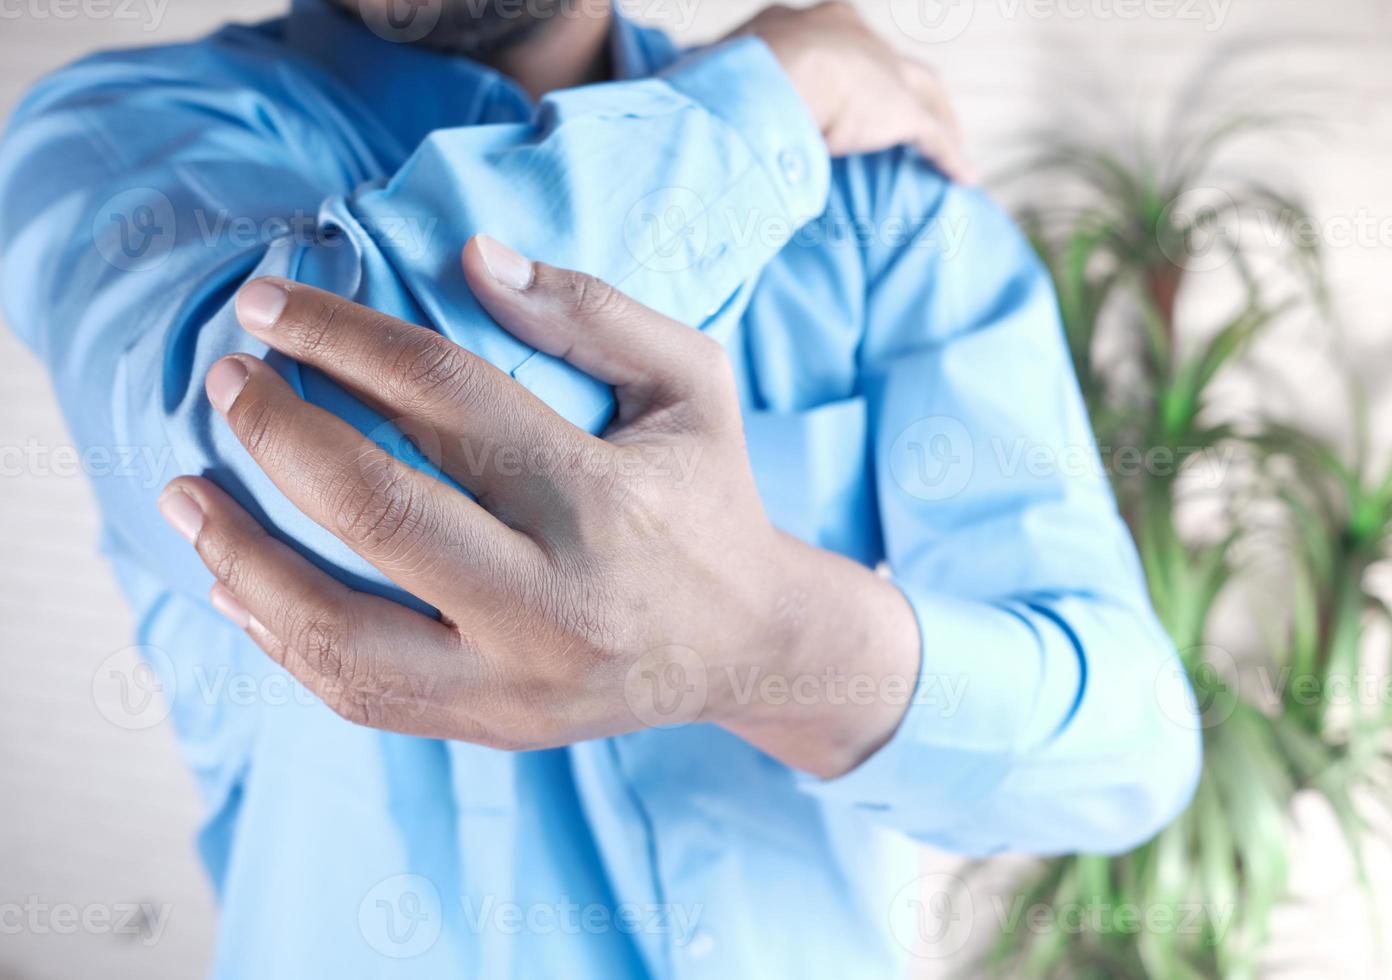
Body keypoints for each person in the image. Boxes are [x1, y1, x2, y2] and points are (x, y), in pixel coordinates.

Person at [0, 1, 1201, 976]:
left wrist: (769, 642)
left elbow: (1127, 747)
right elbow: (319, 452)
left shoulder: (883, 208)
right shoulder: (115, 140)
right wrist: (762, 97)